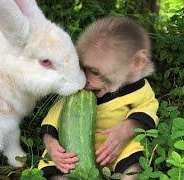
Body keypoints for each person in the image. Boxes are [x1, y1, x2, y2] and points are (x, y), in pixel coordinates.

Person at [38, 16, 159, 180]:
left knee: (134, 161)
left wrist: (126, 129)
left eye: (95, 72)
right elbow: (52, 120)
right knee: (56, 164)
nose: (85, 78)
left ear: (136, 63)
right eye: (83, 68)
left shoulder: (139, 89)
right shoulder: (77, 91)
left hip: (117, 150)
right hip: (72, 154)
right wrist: (51, 144)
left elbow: (148, 108)